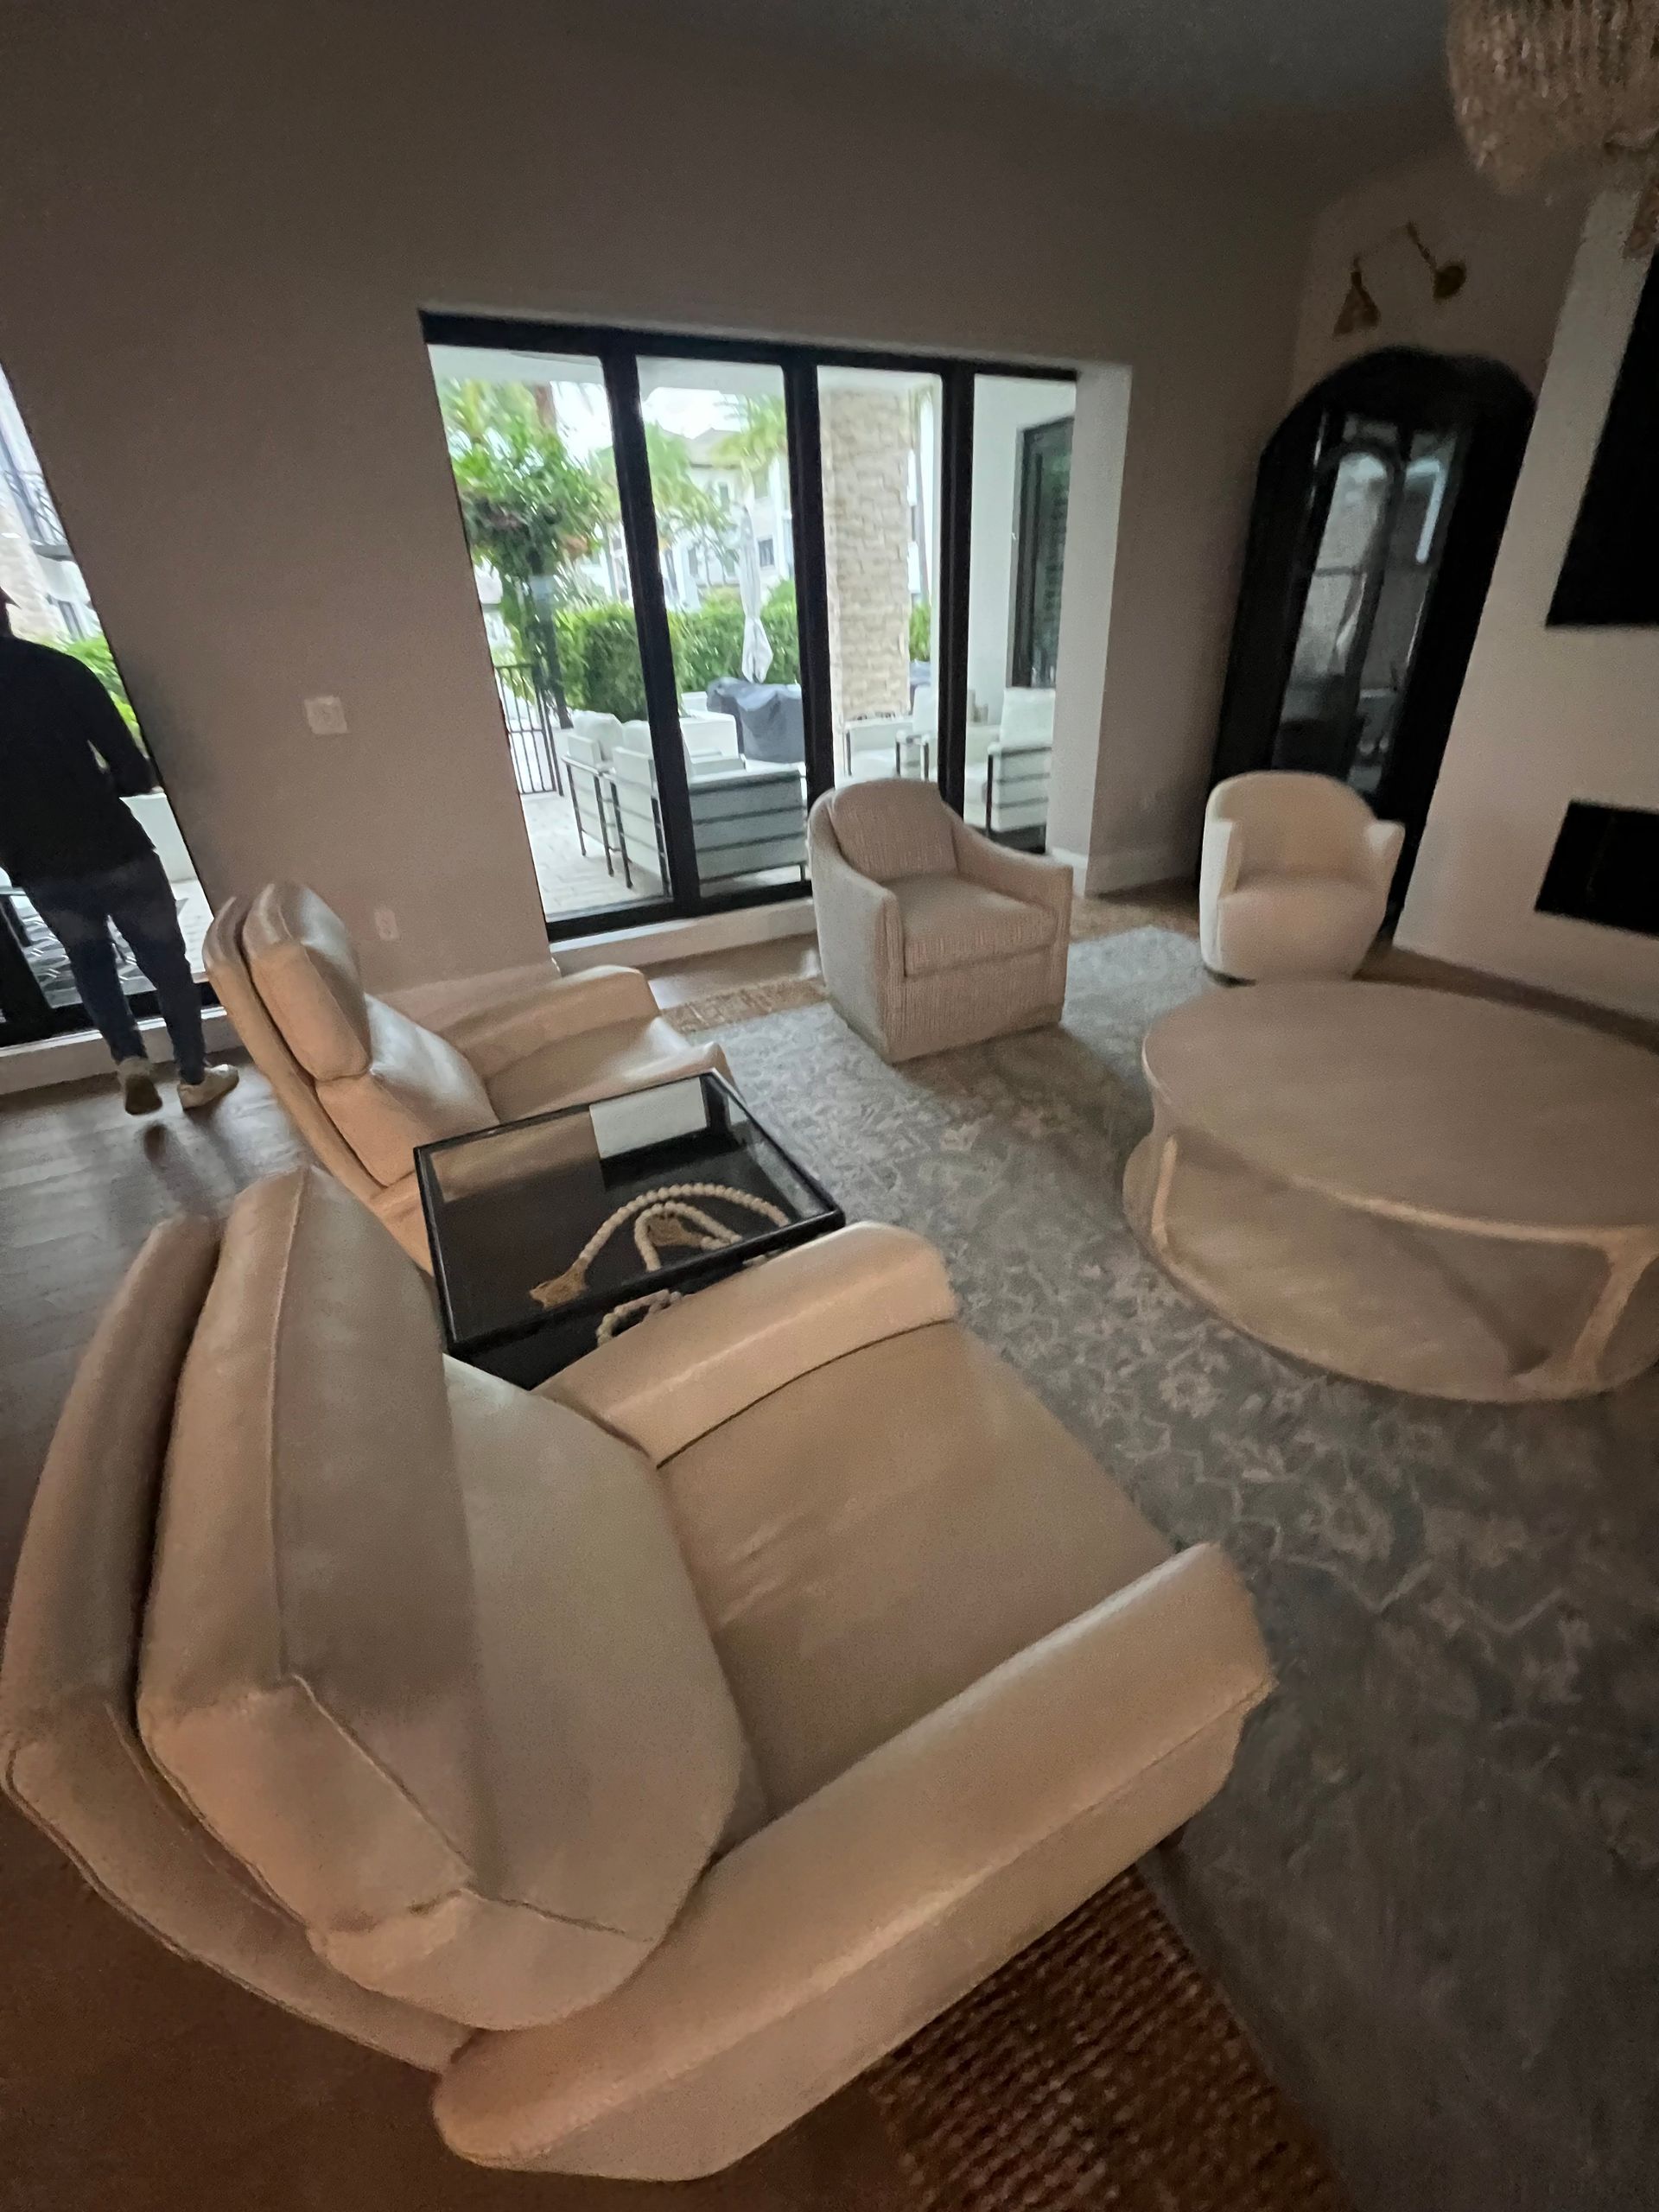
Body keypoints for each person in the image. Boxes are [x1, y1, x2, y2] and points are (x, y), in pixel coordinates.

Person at [0, 588, 237, 1114]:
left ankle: (129, 1060)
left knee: (89, 963)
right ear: (4, 612)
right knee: (166, 964)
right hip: (114, 848)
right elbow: (130, 767)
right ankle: (195, 1078)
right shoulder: (58, 670)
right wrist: (99, 788)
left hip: (39, 866)